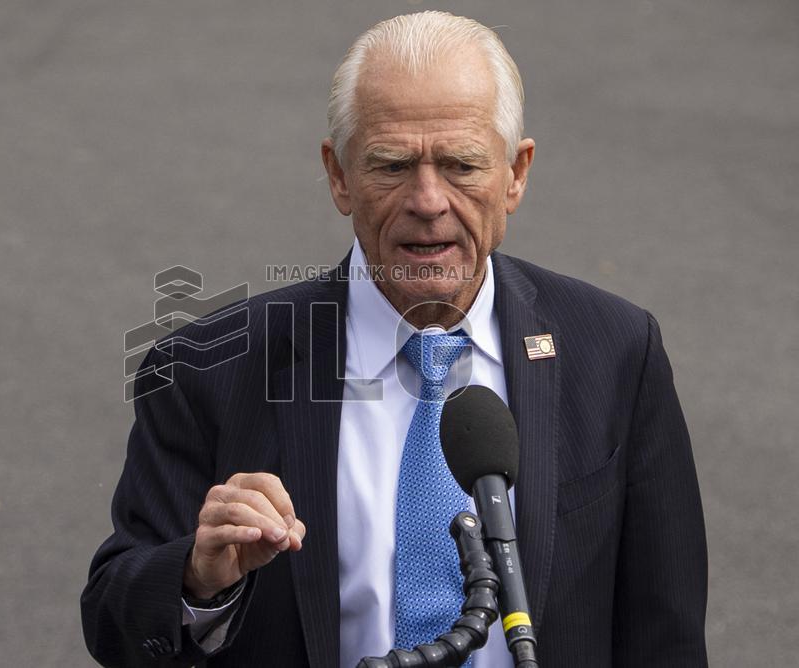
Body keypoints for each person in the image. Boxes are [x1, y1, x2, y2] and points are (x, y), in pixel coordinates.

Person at [81, 11, 708, 668]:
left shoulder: (616, 351)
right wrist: (198, 580)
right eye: (392, 165)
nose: (428, 200)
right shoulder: (209, 371)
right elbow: (115, 624)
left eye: (462, 164)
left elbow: (665, 635)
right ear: (339, 175)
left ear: (516, 174)